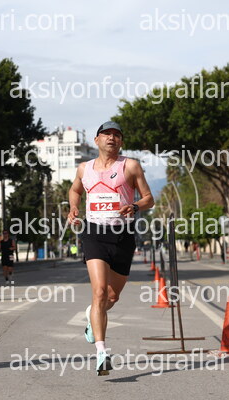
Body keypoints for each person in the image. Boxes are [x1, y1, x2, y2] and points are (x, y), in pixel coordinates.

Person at [67, 121, 154, 376]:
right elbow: (74, 190)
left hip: (122, 235)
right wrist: (73, 207)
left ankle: (91, 316)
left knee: (112, 297)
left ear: (121, 142)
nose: (112, 138)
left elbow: (149, 199)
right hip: (94, 233)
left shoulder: (130, 166)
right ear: (96, 140)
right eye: (106, 134)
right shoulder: (84, 169)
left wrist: (135, 206)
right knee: (99, 292)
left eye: (117, 135)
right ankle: (102, 352)